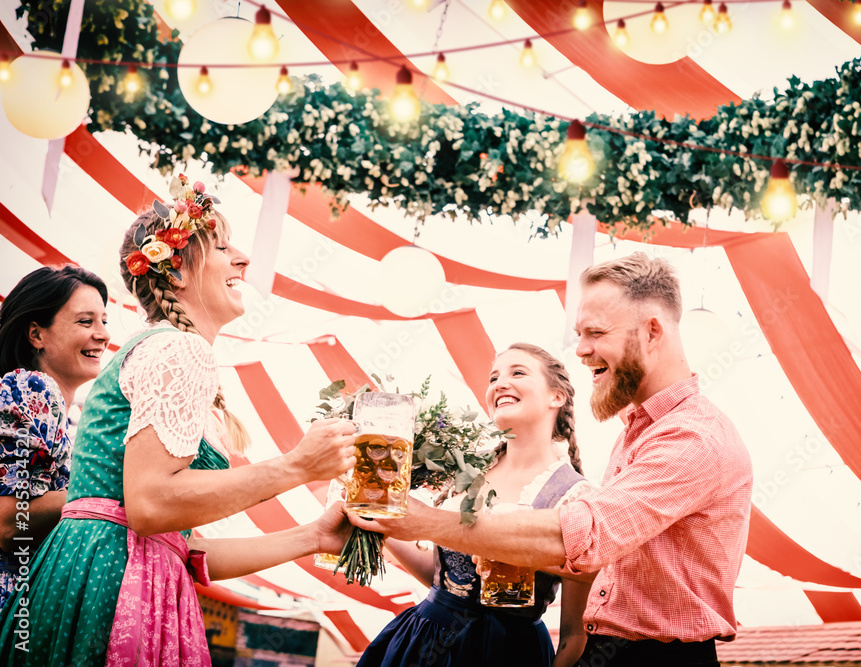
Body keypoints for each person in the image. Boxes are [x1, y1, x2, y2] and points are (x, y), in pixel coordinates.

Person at [0, 177, 357, 666]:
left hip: (113, 573)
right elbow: (149, 506)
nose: (244, 259)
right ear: (179, 273)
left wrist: (314, 536)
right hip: (114, 585)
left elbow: (183, 549)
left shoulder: (168, 351)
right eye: (223, 245)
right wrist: (297, 466)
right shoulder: (177, 349)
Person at [351, 252, 753, 667]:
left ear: (652, 331)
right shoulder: (639, 430)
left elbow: (580, 537)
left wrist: (413, 517)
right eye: (580, 333)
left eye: (595, 332)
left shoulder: (693, 437)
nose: (580, 350)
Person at [357, 343, 595, 667]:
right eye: (494, 377)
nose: (499, 383)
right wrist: (383, 524)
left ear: (557, 396)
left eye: (518, 372)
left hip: (508, 652)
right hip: (427, 639)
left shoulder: (576, 496)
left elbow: (573, 634)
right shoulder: (469, 469)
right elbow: (444, 577)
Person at [0, 266, 110, 609]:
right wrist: (108, 492)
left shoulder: (63, 414)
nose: (103, 335)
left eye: (104, 321)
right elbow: (8, 521)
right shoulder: (31, 387)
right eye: (85, 321)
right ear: (37, 335)